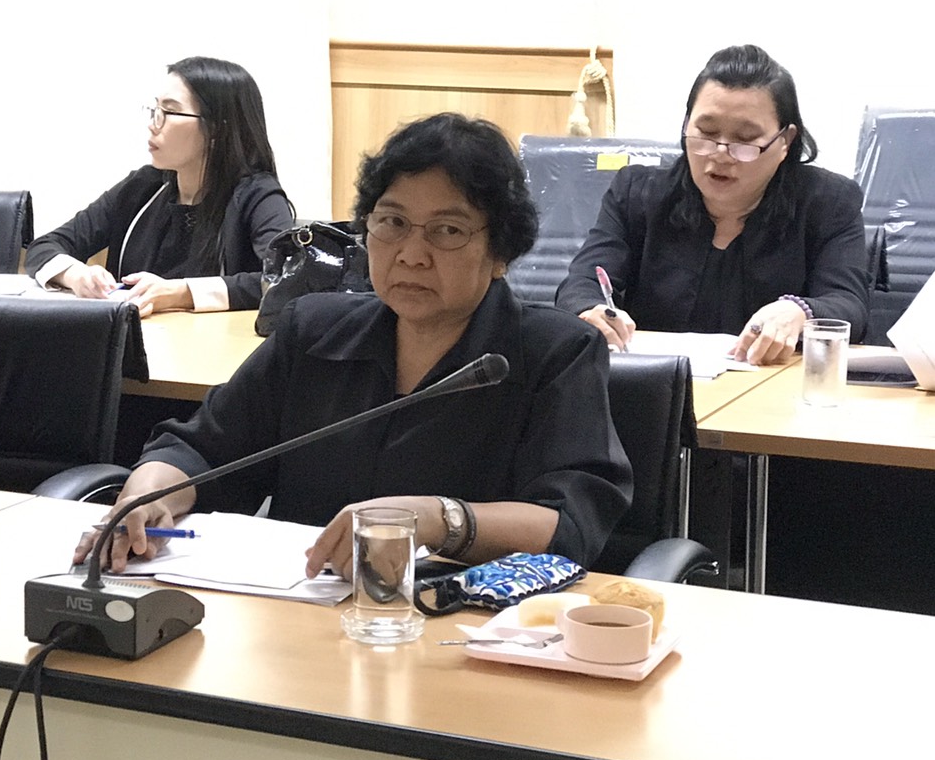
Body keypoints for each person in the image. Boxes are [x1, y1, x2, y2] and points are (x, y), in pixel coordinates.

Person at [74, 112, 632, 575]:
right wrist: (145, 497)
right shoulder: (314, 329)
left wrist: (438, 519)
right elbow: (200, 450)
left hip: (463, 626)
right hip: (303, 614)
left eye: (448, 230)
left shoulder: (555, 352)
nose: (411, 254)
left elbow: (570, 525)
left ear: (501, 252)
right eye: (391, 222)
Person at [556, 44, 869, 364]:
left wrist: (800, 311)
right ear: (686, 125)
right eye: (706, 132)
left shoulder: (828, 202)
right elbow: (581, 284)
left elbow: (849, 305)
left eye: (745, 139)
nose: (721, 154)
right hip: (660, 382)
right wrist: (591, 310)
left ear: (784, 141)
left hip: (775, 383)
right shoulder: (637, 194)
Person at [24, 56, 293, 317]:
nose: (153, 125)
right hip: (137, 340)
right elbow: (45, 246)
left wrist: (180, 293)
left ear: (216, 130)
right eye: (155, 110)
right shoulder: (143, 186)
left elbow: (286, 278)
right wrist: (75, 275)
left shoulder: (258, 194)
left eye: (170, 112)